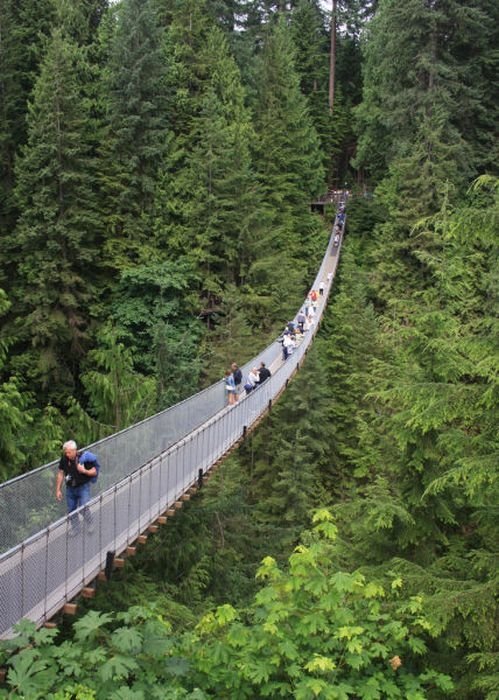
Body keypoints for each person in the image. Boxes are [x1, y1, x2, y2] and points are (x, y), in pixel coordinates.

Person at [56, 440, 99, 535]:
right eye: (66, 452)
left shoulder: (84, 458)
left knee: (83, 507)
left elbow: (94, 471)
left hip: (83, 487)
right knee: (71, 510)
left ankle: (90, 523)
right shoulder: (64, 459)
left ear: (75, 450)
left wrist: (84, 471)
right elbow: (60, 473)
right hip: (70, 488)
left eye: (69, 452)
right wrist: (58, 489)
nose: (67, 454)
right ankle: (76, 528)